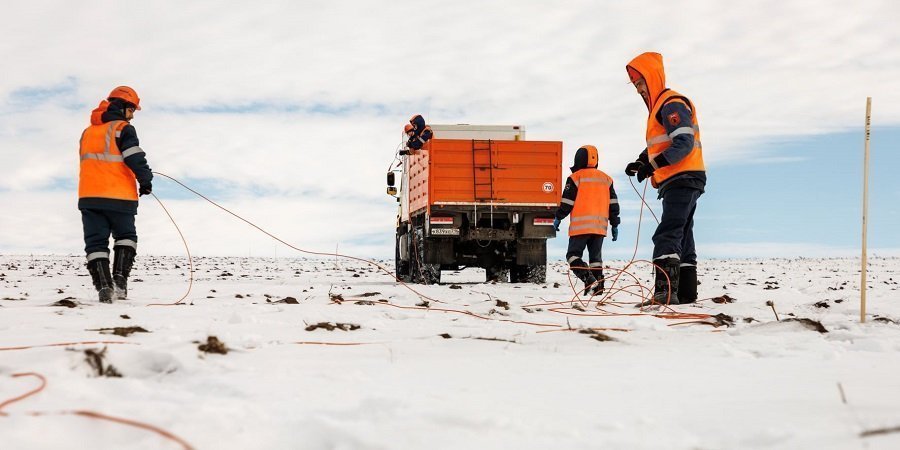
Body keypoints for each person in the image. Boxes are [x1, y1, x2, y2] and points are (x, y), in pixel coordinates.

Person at [623, 52, 706, 305]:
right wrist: (642, 161)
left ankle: (665, 293)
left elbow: (683, 143)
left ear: (652, 78)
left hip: (681, 176)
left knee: (668, 232)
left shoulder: (670, 103)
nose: (638, 90)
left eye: (640, 83)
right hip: (683, 178)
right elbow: (660, 145)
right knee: (682, 233)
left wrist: (653, 165)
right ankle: (686, 294)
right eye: (635, 85)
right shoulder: (659, 108)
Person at [78, 86, 153, 303]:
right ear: (124, 107)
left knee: (95, 244)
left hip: (89, 197)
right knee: (126, 237)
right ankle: (119, 281)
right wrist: (145, 179)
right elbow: (133, 156)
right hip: (119, 196)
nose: (133, 115)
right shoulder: (123, 128)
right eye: (133, 110)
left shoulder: (87, 132)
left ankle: (104, 287)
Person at [553, 145, 620, 296]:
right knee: (596, 260)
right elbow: (613, 204)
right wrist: (615, 224)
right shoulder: (607, 179)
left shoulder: (575, 178)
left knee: (573, 256)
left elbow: (567, 203)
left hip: (580, 228)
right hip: (599, 228)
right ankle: (597, 290)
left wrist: (558, 217)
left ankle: (588, 279)